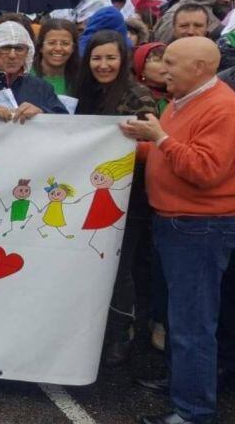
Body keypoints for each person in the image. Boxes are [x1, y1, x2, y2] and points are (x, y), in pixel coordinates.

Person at [120, 37, 235, 424]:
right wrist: (135, 144)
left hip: (199, 227)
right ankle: (181, 385)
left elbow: (205, 170)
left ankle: (194, 411)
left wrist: (159, 139)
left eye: (170, 62)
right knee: (176, 317)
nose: (161, 68)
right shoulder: (183, 99)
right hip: (175, 222)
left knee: (193, 323)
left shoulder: (222, 107)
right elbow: (169, 152)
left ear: (200, 68)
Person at [74, 30, 158, 366]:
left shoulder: (138, 96)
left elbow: (153, 145)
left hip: (129, 200)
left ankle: (122, 332)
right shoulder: (85, 93)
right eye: (97, 58)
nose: (103, 64)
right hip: (89, 194)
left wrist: (122, 147)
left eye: (111, 57)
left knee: (120, 267)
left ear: (123, 59)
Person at [0, 21, 68, 121]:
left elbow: (65, 124)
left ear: (28, 53)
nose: (12, 55)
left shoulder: (42, 88)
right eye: (5, 48)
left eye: (19, 49)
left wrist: (42, 112)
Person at [33, 18, 80, 97]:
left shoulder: (81, 79)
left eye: (65, 43)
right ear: (41, 47)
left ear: (73, 48)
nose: (58, 48)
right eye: (51, 43)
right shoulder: (25, 75)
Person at [134, 42, 169, 114]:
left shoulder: (182, 94)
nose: (166, 65)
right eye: (158, 60)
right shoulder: (135, 97)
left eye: (168, 61)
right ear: (142, 69)